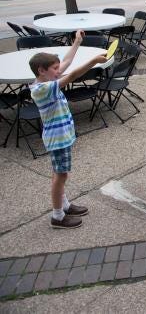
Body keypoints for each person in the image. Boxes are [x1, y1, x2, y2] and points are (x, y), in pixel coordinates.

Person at [29, 30, 109, 228]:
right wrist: (93, 62)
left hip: (61, 137)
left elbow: (67, 62)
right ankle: (57, 217)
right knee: (60, 176)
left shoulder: (48, 80)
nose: (59, 70)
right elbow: (72, 75)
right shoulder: (43, 89)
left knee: (61, 173)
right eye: (55, 69)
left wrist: (77, 42)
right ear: (42, 70)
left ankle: (64, 205)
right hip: (57, 139)